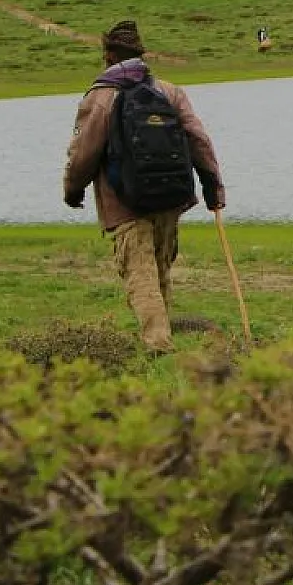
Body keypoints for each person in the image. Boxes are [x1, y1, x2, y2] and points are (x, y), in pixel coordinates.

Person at [62, 20, 225, 353]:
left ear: (107, 54)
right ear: (140, 54)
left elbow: (83, 152)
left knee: (141, 275)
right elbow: (199, 140)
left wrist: (72, 188)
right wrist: (213, 188)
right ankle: (164, 340)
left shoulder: (101, 96)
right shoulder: (169, 91)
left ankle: (158, 347)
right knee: (160, 269)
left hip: (125, 202)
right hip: (170, 198)